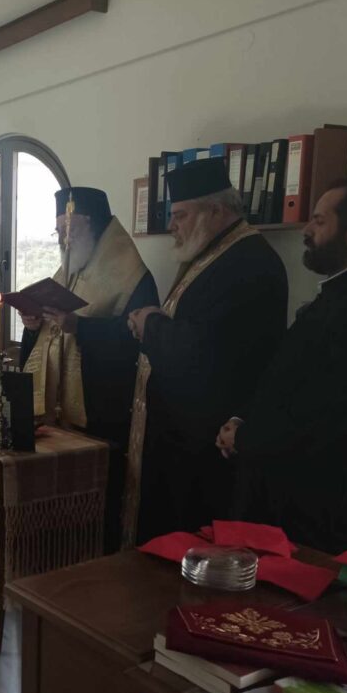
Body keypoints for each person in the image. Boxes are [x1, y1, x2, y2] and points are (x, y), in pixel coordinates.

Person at [124, 157, 287, 545]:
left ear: (215, 210)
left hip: (208, 445)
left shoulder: (250, 262)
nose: (172, 226)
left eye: (180, 215)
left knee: (193, 545)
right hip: (183, 439)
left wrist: (151, 326)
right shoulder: (214, 253)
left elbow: (207, 352)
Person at [217, 177, 347, 553]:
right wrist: (242, 420)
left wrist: (246, 438)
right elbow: (287, 378)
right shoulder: (341, 293)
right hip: (292, 491)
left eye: (319, 221)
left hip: (318, 508)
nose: (306, 230)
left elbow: (329, 412)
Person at [19, 187, 159, 551]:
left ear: (95, 227)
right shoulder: (69, 270)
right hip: (59, 413)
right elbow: (49, 335)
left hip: (101, 410)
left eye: (70, 230)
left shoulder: (132, 277)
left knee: (98, 504)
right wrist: (33, 325)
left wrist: (80, 327)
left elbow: (137, 340)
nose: (63, 240)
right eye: (58, 231)